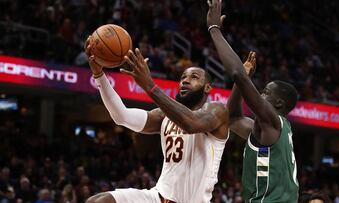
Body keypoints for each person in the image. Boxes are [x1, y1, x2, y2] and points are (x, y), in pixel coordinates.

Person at [84, 37, 229, 203]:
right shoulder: (163, 116)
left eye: (194, 77)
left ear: (208, 87)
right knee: (98, 201)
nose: (185, 80)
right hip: (158, 196)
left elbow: (191, 124)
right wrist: (99, 75)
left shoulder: (217, 110)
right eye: (182, 77)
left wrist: (149, 86)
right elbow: (121, 116)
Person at [207, 0, 299, 202]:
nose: (260, 95)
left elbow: (237, 74)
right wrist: (244, 80)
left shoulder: (272, 121)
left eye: (266, 92)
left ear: (279, 104)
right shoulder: (269, 129)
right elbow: (232, 118)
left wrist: (214, 30)